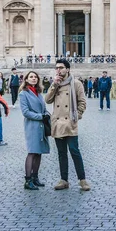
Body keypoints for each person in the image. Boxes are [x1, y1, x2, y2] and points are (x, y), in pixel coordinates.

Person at [46, 58, 90, 191]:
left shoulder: (76, 84)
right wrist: (54, 85)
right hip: (58, 123)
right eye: (57, 68)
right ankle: (64, 180)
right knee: (61, 153)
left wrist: (76, 117)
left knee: (74, 151)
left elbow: (82, 103)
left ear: (68, 69)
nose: (58, 70)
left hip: (70, 122)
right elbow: (47, 100)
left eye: (61, 67)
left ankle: (82, 180)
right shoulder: (55, 84)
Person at [19, 71, 50, 190]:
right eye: (31, 77)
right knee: (32, 152)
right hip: (32, 126)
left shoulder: (38, 93)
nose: (33, 79)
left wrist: (46, 114)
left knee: (39, 152)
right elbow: (25, 112)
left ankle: (35, 177)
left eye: (35, 77)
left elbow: (44, 108)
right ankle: (27, 180)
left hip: (41, 125)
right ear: (26, 79)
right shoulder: (23, 94)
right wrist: (40, 117)